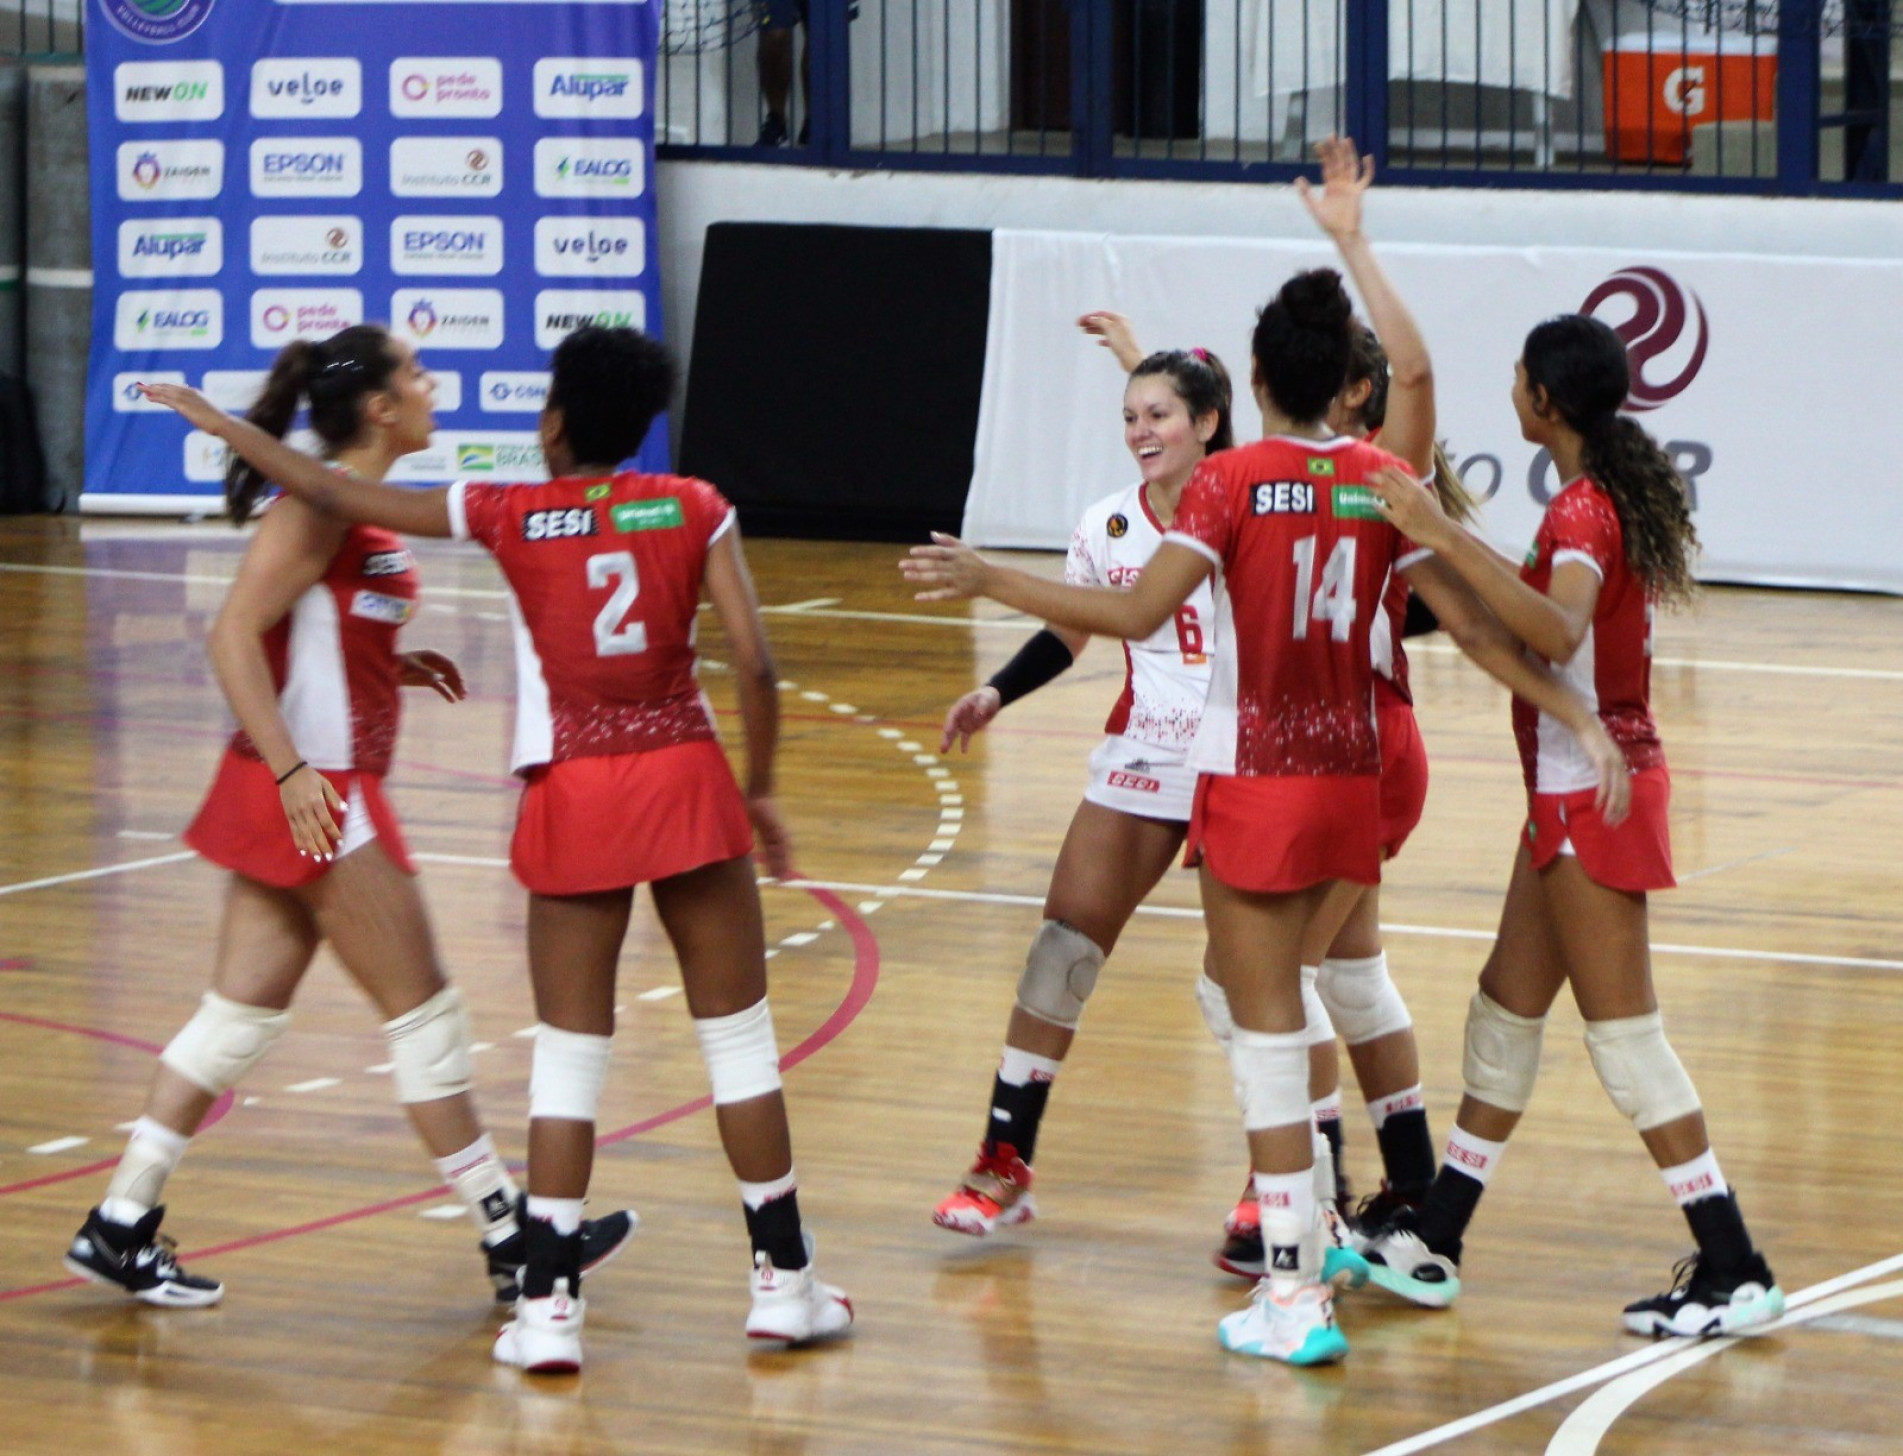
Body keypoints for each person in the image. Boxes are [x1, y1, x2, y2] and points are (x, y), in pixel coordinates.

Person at [903, 269, 1628, 1366]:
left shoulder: (1230, 484)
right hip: (1352, 778)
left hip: (1254, 776)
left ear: (1246, 387)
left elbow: (1136, 607)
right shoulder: (1387, 481)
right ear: (1345, 384)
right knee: (1291, 1009)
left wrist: (990, 578)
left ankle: (1293, 1286)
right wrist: (1577, 710)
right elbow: (1478, 637)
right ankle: (1323, 1237)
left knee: (1261, 1038)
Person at [143, 325, 853, 1372]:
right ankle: (784, 1287)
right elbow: (755, 662)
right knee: (738, 1046)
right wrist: (758, 787)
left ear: (551, 422)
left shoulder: (511, 510)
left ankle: (547, 1311)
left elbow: (331, 495)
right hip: (688, 782)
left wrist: (226, 425)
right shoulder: (696, 504)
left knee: (569, 1061)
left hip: (574, 793)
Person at [68, 325, 630, 1311]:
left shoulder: (352, 514)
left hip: (301, 784)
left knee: (235, 1022)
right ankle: (513, 1239)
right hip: (315, 793)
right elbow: (231, 636)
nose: (430, 383)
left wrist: (391, 665)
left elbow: (308, 634)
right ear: (378, 408)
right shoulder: (314, 511)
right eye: (414, 373)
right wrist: (292, 770)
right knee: (428, 1017)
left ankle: (119, 1221)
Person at [1363, 313, 1785, 1337]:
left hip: (1594, 791)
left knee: (1625, 1042)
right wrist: (1432, 546)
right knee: (1502, 1018)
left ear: (1544, 402)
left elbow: (1552, 627)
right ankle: (1439, 1235)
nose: (1508, 390)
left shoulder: (1588, 510)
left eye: (1516, 379)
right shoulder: (1589, 500)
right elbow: (1521, 609)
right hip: (1562, 791)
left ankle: (1732, 1263)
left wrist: (1438, 532)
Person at [928, 325, 1276, 1246]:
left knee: (1249, 985)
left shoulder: (1252, 509)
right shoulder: (1107, 521)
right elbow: (1076, 631)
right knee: (1059, 950)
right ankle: (1005, 1161)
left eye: (1158, 413)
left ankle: (1274, 1178)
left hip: (1244, 761)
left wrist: (991, 578)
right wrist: (995, 691)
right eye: (1128, 416)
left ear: (1208, 422)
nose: (1139, 430)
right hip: (1144, 759)